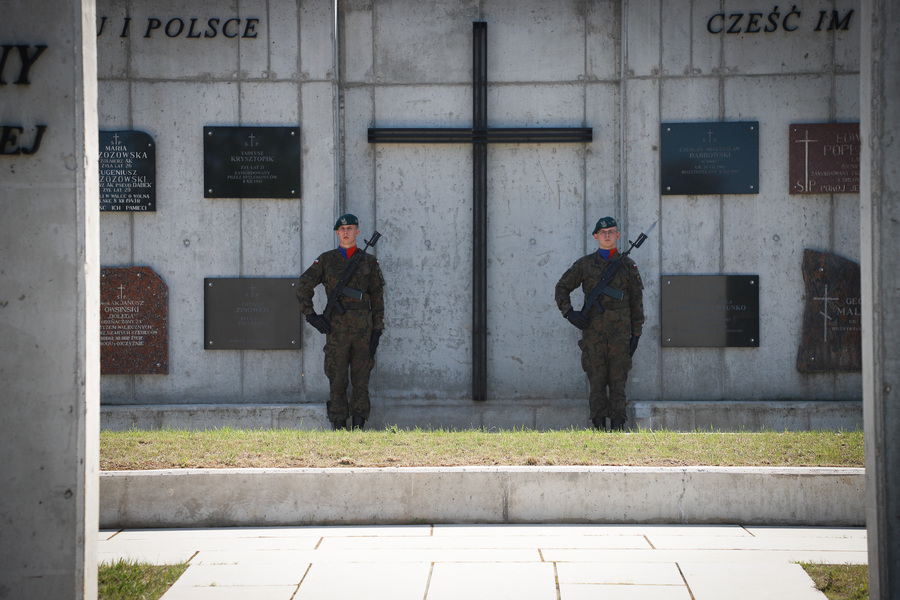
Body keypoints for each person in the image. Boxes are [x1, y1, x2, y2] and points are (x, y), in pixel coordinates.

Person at [555, 217, 644, 431]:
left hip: (620, 334)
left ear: (618, 236)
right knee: (596, 381)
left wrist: (636, 333)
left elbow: (636, 301)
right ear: (595, 236)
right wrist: (570, 313)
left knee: (618, 381)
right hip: (593, 334)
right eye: (603, 232)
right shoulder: (585, 264)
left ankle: (618, 425)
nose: (607, 235)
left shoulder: (627, 265)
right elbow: (562, 288)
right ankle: (598, 426)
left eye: (611, 232)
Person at [297, 214, 385, 431]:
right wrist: (311, 315)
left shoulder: (369, 262)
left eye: (350, 228)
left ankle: (358, 427)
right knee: (336, 379)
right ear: (337, 233)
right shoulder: (326, 260)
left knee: (361, 379)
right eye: (342, 229)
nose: (346, 232)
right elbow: (303, 285)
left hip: (363, 331)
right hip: (336, 329)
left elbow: (377, 298)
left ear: (357, 232)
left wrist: (377, 330)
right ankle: (337, 426)